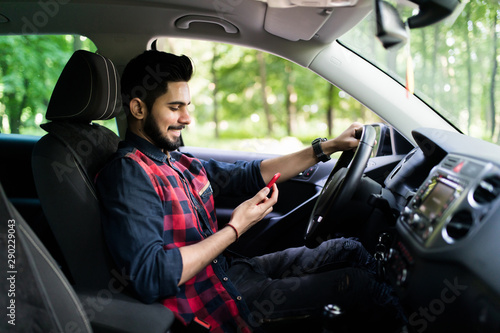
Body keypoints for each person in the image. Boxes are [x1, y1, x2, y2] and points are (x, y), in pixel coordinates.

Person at [96, 50, 404, 333]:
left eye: (187, 106)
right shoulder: (129, 174)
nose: (187, 118)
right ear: (138, 108)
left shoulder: (176, 160)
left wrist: (326, 148)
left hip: (230, 274)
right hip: (211, 306)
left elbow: (249, 175)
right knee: (359, 287)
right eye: (175, 108)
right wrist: (235, 228)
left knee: (346, 249)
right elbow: (152, 275)